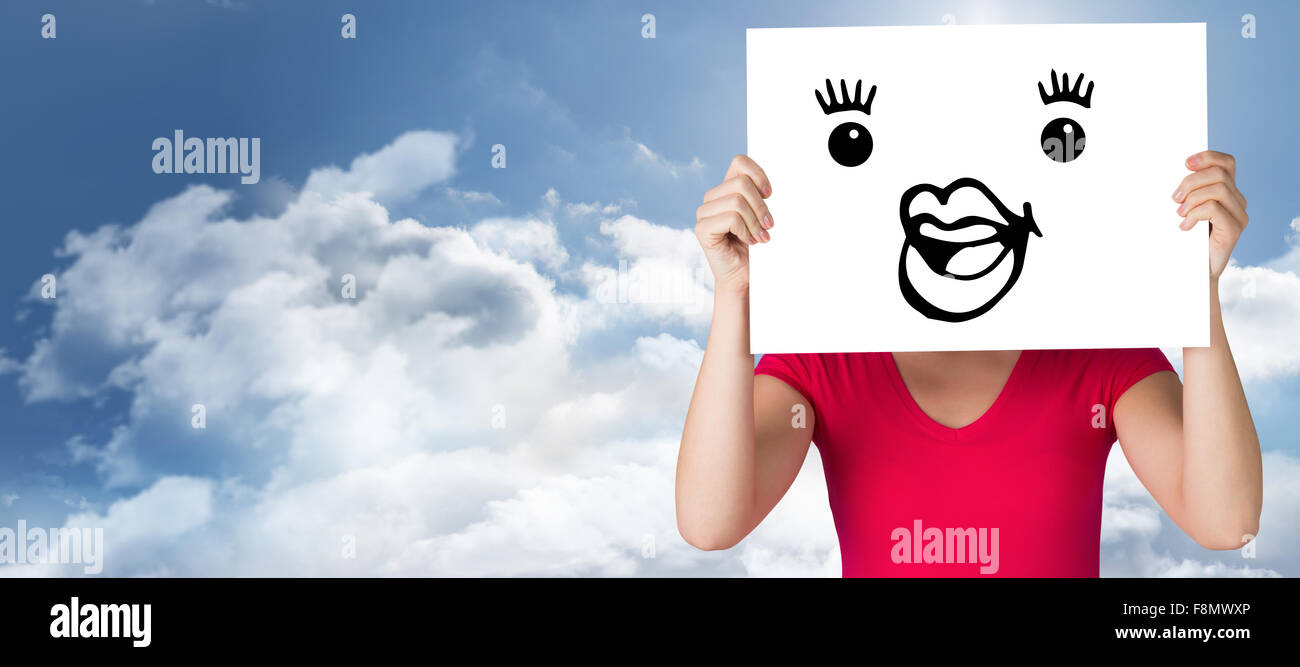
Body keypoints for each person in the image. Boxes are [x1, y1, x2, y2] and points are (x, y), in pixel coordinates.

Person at [675, 152, 1261, 576]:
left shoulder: (1099, 351)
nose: (951, 195)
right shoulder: (825, 358)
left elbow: (1225, 522)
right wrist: (736, 295)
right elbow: (709, 523)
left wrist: (1195, 292)